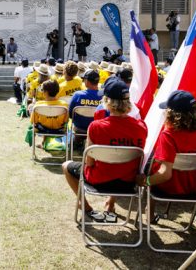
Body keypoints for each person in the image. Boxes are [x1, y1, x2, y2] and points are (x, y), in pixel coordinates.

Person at [63, 79, 147, 222]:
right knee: (120, 165)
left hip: (99, 180)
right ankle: (111, 203)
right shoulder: (141, 127)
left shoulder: (96, 126)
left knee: (66, 166)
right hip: (128, 182)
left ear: (107, 102)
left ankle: (85, 205)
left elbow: (88, 163)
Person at [136, 91, 196, 219]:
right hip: (194, 186)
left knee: (150, 162)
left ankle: (150, 213)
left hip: (168, 187)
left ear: (172, 113)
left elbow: (165, 174)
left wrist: (145, 181)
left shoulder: (169, 135)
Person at [68, 70, 103, 136]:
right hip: (97, 130)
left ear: (87, 81)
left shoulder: (78, 95)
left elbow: (70, 114)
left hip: (79, 129)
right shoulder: (104, 97)